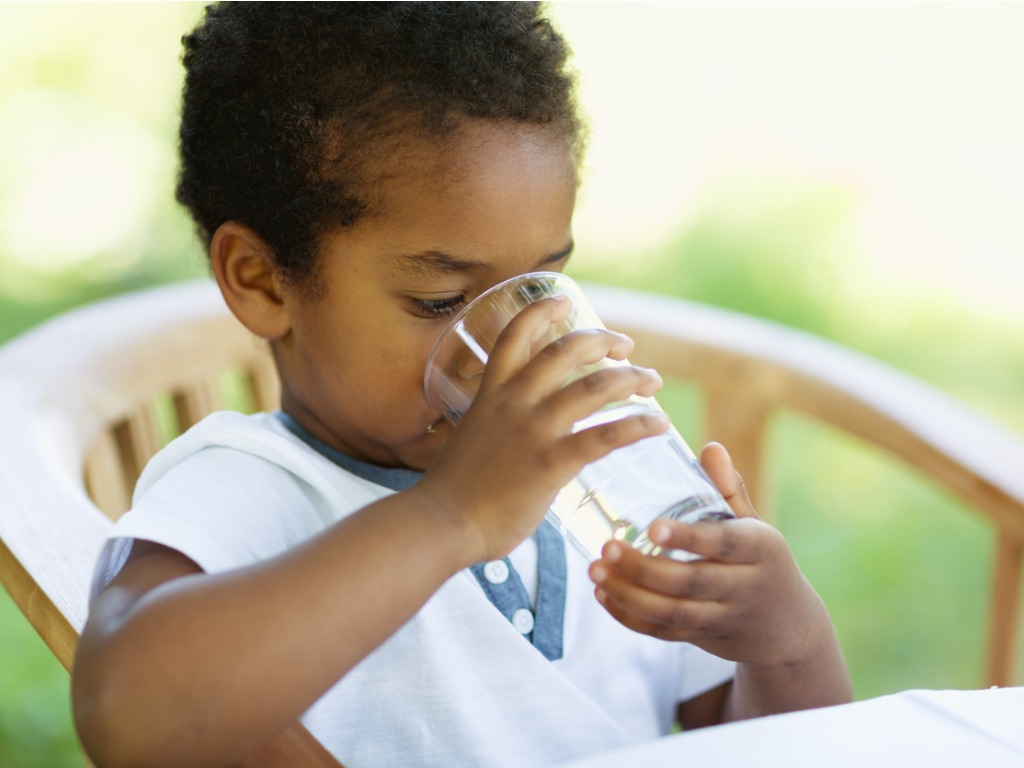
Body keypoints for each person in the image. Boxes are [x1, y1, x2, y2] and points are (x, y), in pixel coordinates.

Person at [71, 4, 852, 767]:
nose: (506, 347)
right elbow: (128, 718)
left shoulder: (601, 492)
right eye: (441, 303)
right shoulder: (253, 491)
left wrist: (786, 643)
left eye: (541, 287)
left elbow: (791, 747)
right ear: (263, 279)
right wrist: (451, 517)